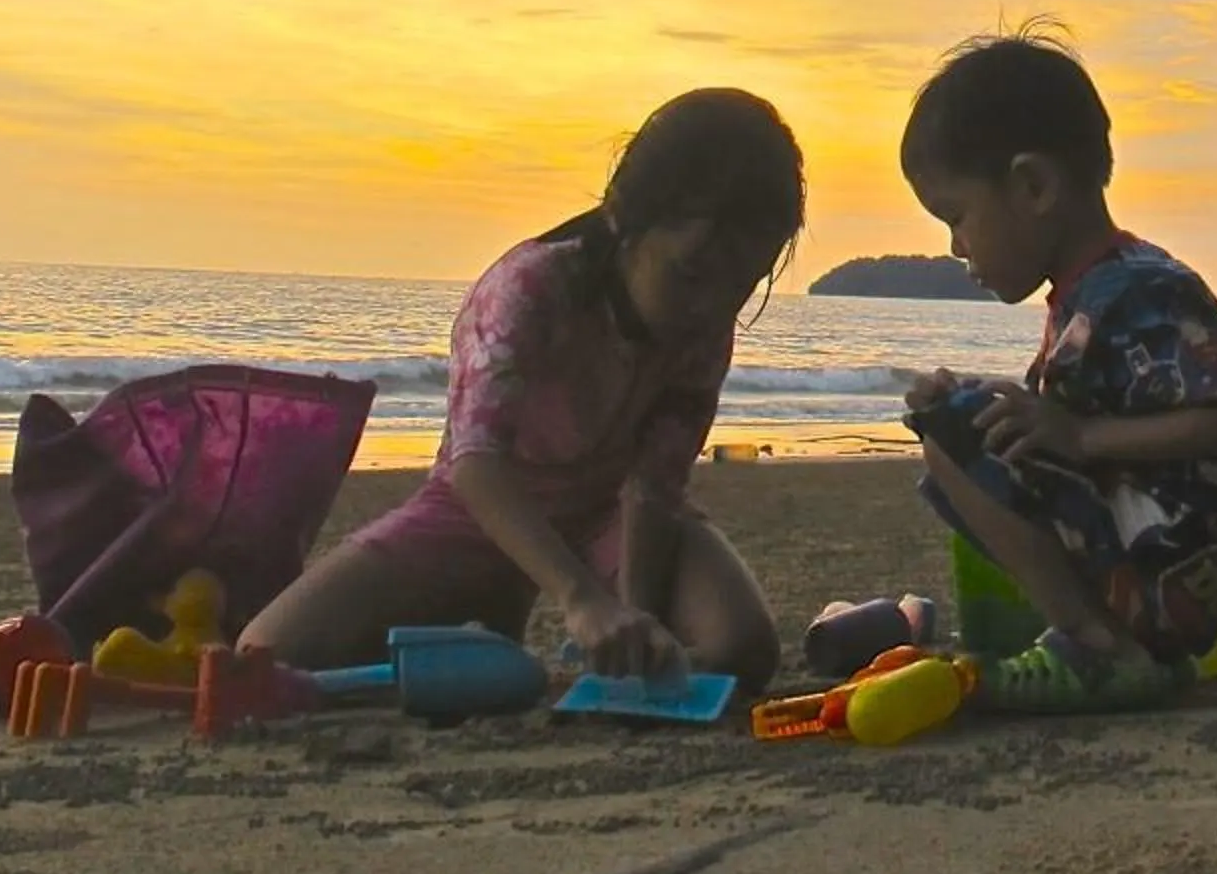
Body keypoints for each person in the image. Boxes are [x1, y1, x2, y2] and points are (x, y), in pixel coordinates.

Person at [239, 89, 801, 688]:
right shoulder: (529, 289)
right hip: (483, 508)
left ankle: (547, 654)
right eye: (692, 272)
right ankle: (486, 609)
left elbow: (653, 484)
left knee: (741, 645)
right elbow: (475, 466)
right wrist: (580, 597)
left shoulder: (703, 329)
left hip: (607, 513)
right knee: (265, 654)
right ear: (625, 217)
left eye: (742, 283)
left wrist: (635, 615)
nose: (713, 303)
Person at [896, 31, 1217, 712]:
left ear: (1034, 185)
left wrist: (1079, 440)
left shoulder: (1139, 291)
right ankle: (1092, 631)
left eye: (958, 218)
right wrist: (984, 406)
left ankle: (1098, 646)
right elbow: (1066, 422)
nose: (957, 247)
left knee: (953, 437)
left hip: (1175, 569)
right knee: (959, 424)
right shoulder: (1087, 295)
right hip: (1153, 557)